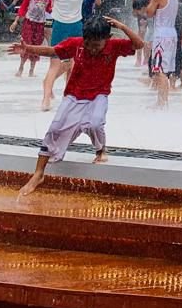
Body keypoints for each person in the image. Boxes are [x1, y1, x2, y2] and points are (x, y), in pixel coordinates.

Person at [11, 15, 144, 197]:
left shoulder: (114, 46)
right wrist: (28, 48)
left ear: (108, 39)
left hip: (99, 94)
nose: (93, 49)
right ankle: (38, 174)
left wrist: (122, 26)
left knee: (94, 124)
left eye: (97, 45)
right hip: (74, 95)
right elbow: (53, 51)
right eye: (89, 44)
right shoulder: (77, 44)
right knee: (55, 128)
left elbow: (139, 45)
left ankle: (100, 149)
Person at [41, 0, 95, 112]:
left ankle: (45, 100)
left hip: (59, 27)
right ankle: (68, 97)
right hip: (75, 28)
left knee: (54, 66)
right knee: (73, 64)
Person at [142, 0, 182, 107]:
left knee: (160, 71)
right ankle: (162, 101)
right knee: (165, 70)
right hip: (171, 35)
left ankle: (162, 103)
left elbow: (149, 13)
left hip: (161, 37)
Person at [9, 0, 51, 78]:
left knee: (36, 46)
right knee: (26, 44)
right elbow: (23, 7)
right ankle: (21, 67)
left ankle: (32, 70)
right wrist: (16, 21)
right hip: (29, 23)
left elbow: (49, 9)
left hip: (40, 24)